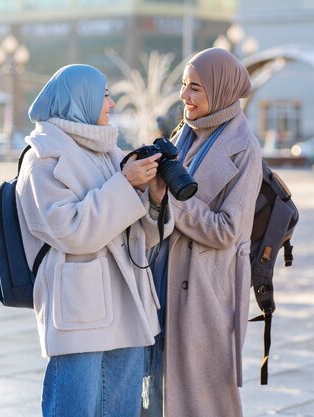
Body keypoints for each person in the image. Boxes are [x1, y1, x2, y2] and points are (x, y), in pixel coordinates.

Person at [15, 64, 174, 417]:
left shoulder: (111, 153)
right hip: (81, 310)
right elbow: (72, 231)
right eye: (104, 95)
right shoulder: (43, 158)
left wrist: (156, 200)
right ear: (80, 98)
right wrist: (125, 185)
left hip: (128, 306)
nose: (113, 103)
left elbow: (144, 237)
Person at [145, 48, 262, 417]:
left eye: (195, 87)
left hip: (206, 294)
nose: (184, 96)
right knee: (162, 395)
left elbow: (229, 230)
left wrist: (174, 202)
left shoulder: (245, 150)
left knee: (204, 400)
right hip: (164, 283)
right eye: (183, 85)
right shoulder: (185, 135)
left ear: (221, 89)